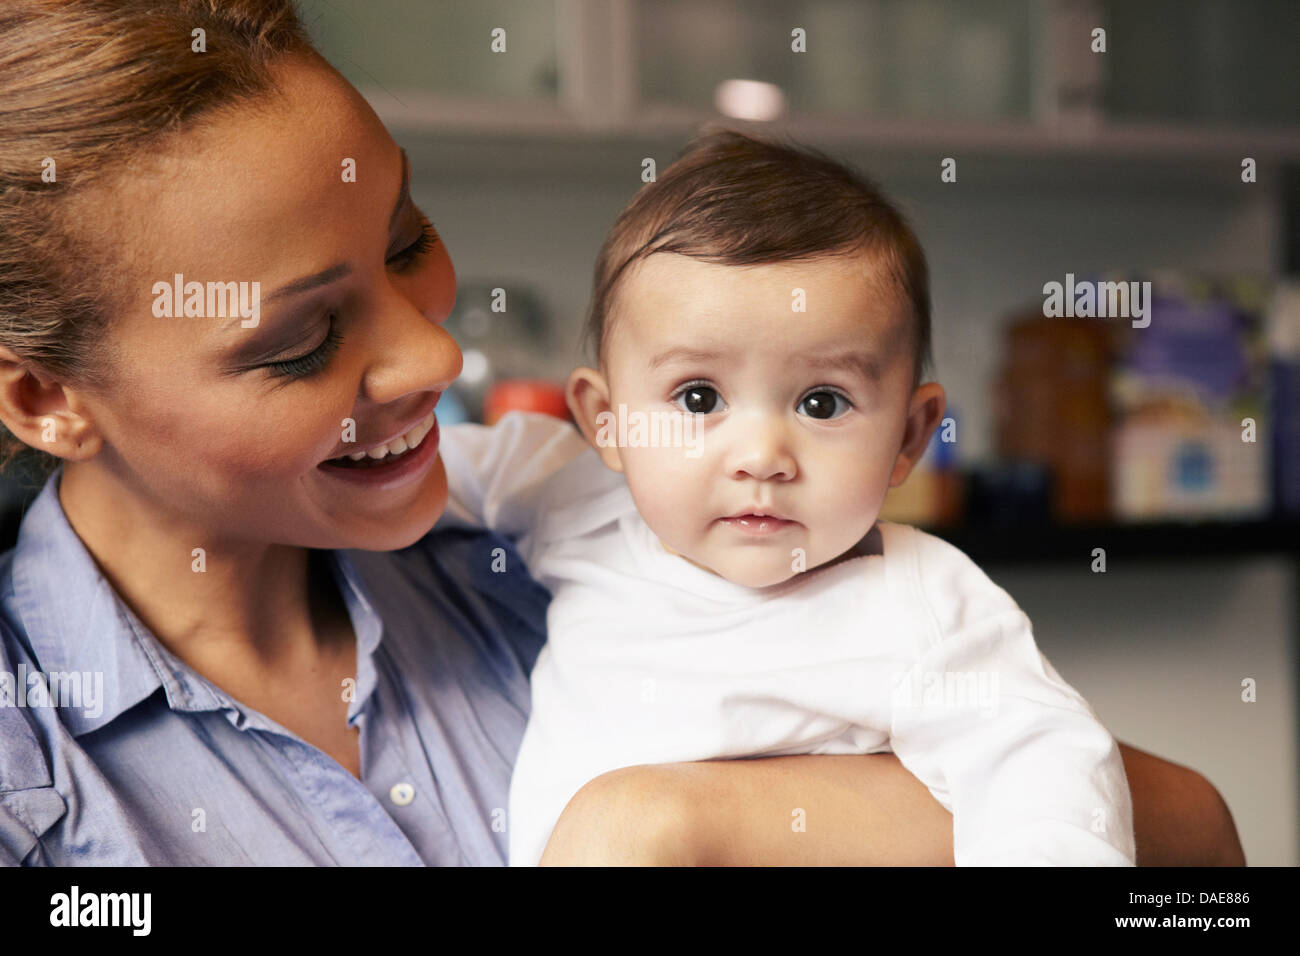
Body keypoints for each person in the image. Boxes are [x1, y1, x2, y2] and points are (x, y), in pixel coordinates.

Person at [0, 0, 1243, 866]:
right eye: (300, 341)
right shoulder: (31, 765)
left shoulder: (542, 541)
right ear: (45, 399)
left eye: (406, 243)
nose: (436, 355)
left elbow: (1186, 830)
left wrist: (662, 828)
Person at [438, 132, 1132, 866]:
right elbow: (431, 465)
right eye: (699, 396)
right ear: (605, 422)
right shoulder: (576, 505)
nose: (763, 456)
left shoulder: (920, 601)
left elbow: (1047, 776)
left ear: (909, 433)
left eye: (823, 402)